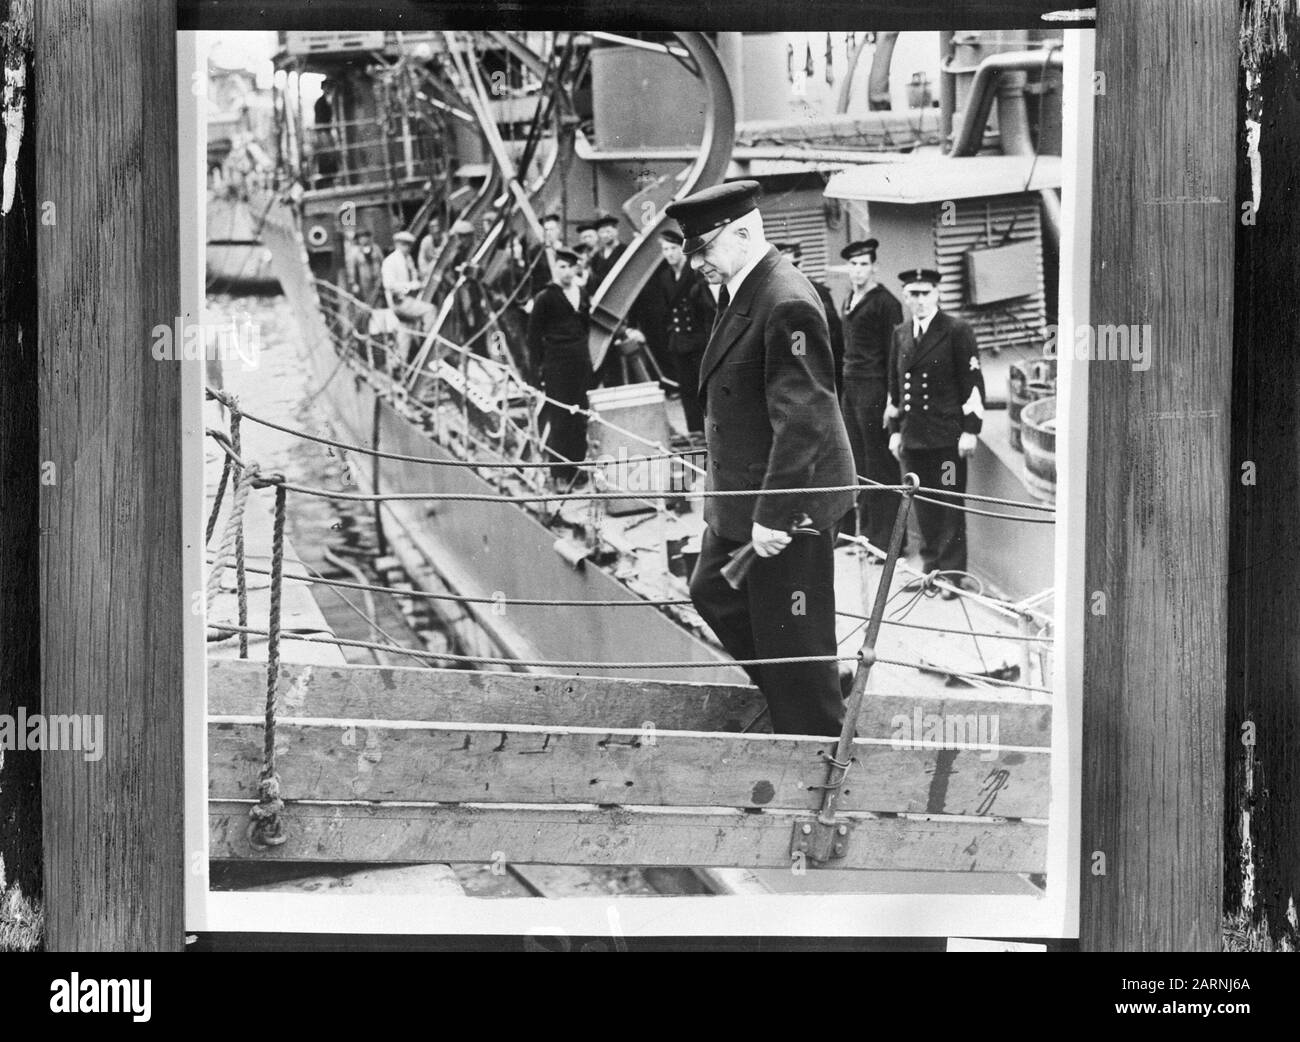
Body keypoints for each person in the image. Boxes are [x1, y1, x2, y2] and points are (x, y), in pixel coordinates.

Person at [665, 180, 855, 738]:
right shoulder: (739, 289)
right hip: (739, 493)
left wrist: (774, 514)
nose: (695, 262)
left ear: (743, 233)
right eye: (691, 250)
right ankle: (796, 693)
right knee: (713, 590)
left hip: (786, 501)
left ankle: (818, 747)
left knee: (794, 635)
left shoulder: (785, 299)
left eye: (703, 249)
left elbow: (805, 418)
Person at [886, 267, 985, 597]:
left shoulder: (956, 330)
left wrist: (971, 430)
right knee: (923, 504)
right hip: (914, 439)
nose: (920, 300)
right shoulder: (901, 333)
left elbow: (972, 385)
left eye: (926, 293)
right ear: (905, 296)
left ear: (937, 294)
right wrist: (895, 430)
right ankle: (931, 569)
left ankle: (952, 575)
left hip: (947, 439)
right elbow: (895, 388)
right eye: (913, 294)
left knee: (948, 504)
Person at [837, 239, 905, 554]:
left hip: (874, 389)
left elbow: (895, 356)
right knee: (861, 463)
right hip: (851, 389)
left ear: (874, 267)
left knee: (880, 465)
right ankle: (867, 535)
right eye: (853, 264)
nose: (858, 269)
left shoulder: (885, 303)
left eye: (864, 263)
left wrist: (893, 401)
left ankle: (889, 542)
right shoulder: (849, 298)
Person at [526, 248, 592, 485]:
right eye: (560, 267)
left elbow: (585, 326)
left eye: (568, 267)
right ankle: (559, 473)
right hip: (557, 365)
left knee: (579, 417)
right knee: (561, 418)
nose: (565, 272)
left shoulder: (582, 293)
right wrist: (535, 374)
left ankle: (577, 468)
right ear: (556, 269)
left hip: (579, 363)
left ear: (576, 269)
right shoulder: (545, 297)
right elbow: (533, 338)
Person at [640, 228, 712, 437]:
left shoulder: (696, 274)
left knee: (703, 390)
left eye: (673, 248)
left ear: (682, 250)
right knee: (686, 390)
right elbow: (663, 310)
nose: (669, 254)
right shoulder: (665, 277)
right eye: (665, 249)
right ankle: (695, 433)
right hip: (678, 342)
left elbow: (707, 309)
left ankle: (709, 432)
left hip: (698, 340)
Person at [776, 241, 844, 391]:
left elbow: (835, 336)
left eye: (796, 264)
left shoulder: (819, 293)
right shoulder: (773, 296)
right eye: (786, 266)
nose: (793, 270)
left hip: (820, 373)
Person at [381, 231, 436, 352]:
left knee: (405, 332)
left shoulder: (408, 260)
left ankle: (400, 363)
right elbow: (390, 285)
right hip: (399, 302)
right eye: (404, 244)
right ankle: (429, 346)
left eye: (409, 245)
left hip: (408, 300)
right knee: (430, 310)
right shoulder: (390, 261)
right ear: (397, 244)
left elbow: (414, 277)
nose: (407, 248)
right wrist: (410, 287)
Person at [344, 227, 384, 308]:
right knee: (367, 301)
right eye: (361, 238)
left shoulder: (376, 248)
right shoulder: (355, 252)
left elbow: (382, 262)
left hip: (378, 279)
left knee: (379, 300)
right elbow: (352, 269)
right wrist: (354, 283)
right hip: (364, 281)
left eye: (366, 237)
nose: (364, 239)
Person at [588, 214, 626, 287]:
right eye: (601, 232)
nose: (605, 235)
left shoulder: (625, 251)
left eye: (608, 231)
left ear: (616, 230)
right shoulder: (597, 256)